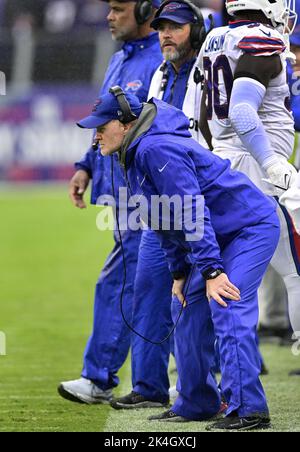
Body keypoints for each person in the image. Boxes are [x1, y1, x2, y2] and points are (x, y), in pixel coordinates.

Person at [77, 89, 280, 430]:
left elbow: (190, 210)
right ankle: (198, 402)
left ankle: (248, 409)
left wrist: (213, 270)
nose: (95, 134)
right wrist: (180, 272)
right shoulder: (135, 151)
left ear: (125, 123)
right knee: (183, 308)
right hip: (218, 234)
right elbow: (161, 220)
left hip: (249, 227)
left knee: (226, 302)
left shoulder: (155, 148)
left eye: (102, 125)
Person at [58, 0, 162, 405]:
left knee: (121, 281)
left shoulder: (159, 60)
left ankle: (99, 377)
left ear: (144, 10)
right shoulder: (121, 58)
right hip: (121, 188)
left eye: (119, 9)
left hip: (146, 190)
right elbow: (104, 119)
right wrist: (86, 164)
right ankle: (184, 378)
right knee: (151, 283)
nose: (109, 16)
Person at [110, 0, 210, 411]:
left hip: (198, 195)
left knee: (202, 297)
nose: (167, 34)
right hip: (160, 199)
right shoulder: (158, 73)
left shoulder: (209, 71)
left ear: (196, 31)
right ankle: (149, 385)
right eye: (164, 26)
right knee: (149, 288)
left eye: (178, 27)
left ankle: (201, 390)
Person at [198, 0, 300, 338]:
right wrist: (272, 164)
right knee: (294, 271)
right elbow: (242, 112)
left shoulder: (215, 38)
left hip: (222, 164)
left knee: (221, 275)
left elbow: (197, 114)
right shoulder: (262, 38)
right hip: (257, 167)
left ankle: (206, 375)